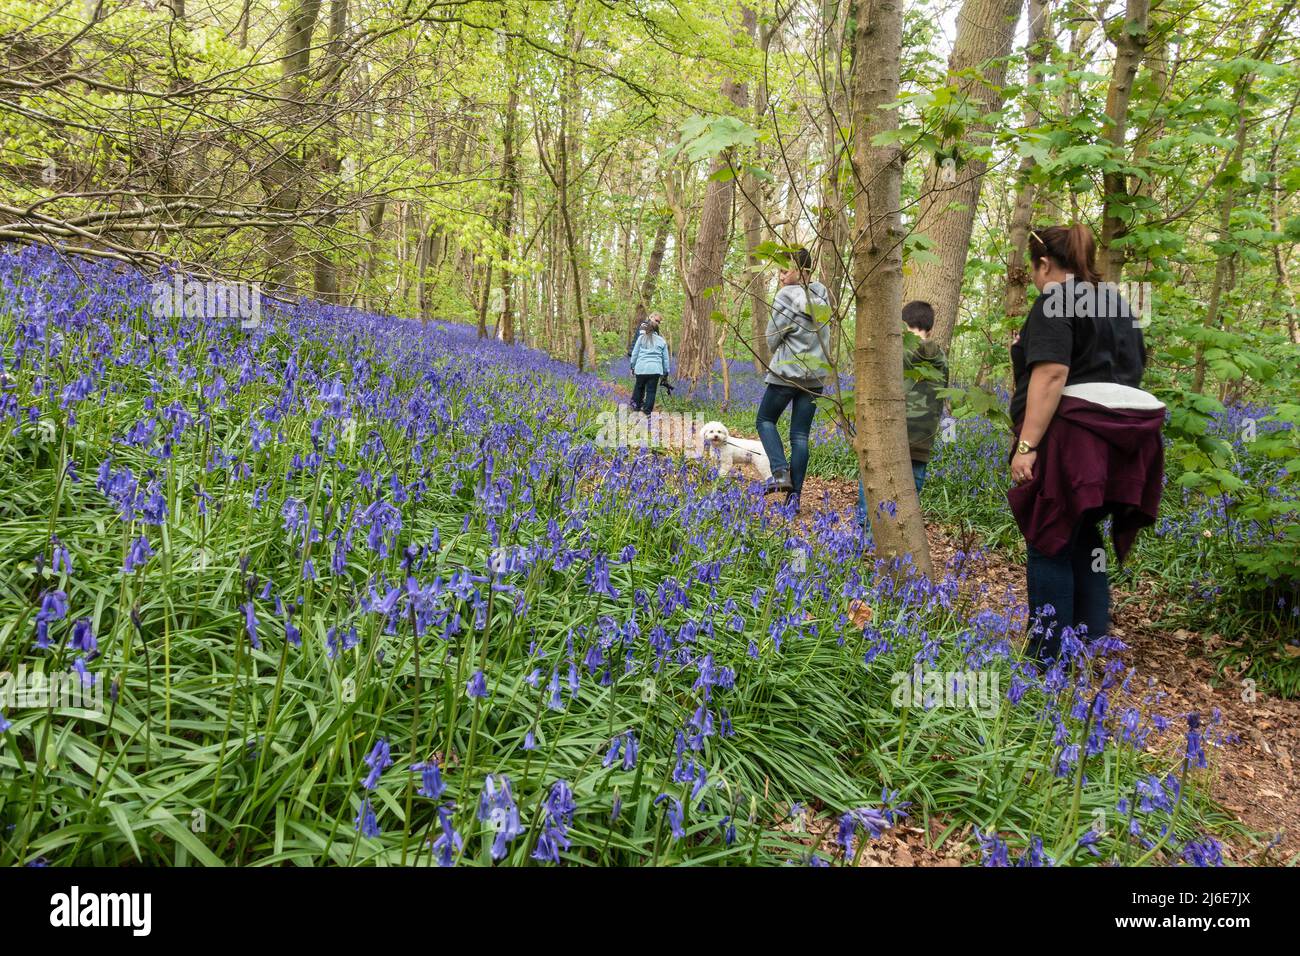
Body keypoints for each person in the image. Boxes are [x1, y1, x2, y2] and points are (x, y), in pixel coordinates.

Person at [1008, 224, 1165, 663]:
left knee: (1049, 537)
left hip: (1074, 443)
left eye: (1033, 270)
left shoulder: (1055, 300)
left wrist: (1027, 446)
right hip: (1124, 445)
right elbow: (1120, 369)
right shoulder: (1116, 303)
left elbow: (1053, 374)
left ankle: (1044, 659)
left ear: (1044, 264)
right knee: (1082, 534)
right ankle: (1087, 644)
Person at [855, 300, 949, 528]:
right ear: (930, 328)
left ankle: (863, 541)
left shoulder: (898, 353)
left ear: (901, 325)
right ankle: (900, 544)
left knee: (872, 489)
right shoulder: (942, 359)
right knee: (907, 502)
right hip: (922, 444)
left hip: (890, 437)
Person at [756, 247, 831, 509]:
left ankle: (779, 472)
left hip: (786, 373)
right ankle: (794, 499)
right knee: (800, 436)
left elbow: (772, 337)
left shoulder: (785, 296)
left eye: (784, 270)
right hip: (815, 377)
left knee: (765, 420)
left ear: (802, 271)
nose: (779, 276)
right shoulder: (824, 295)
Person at [629, 314, 670, 416]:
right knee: (651, 391)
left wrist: (632, 366)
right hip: (655, 370)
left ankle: (635, 409)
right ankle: (646, 412)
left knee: (639, 387)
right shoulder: (662, 341)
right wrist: (666, 372)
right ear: (657, 330)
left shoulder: (641, 338)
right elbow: (665, 359)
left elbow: (635, 353)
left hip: (641, 368)